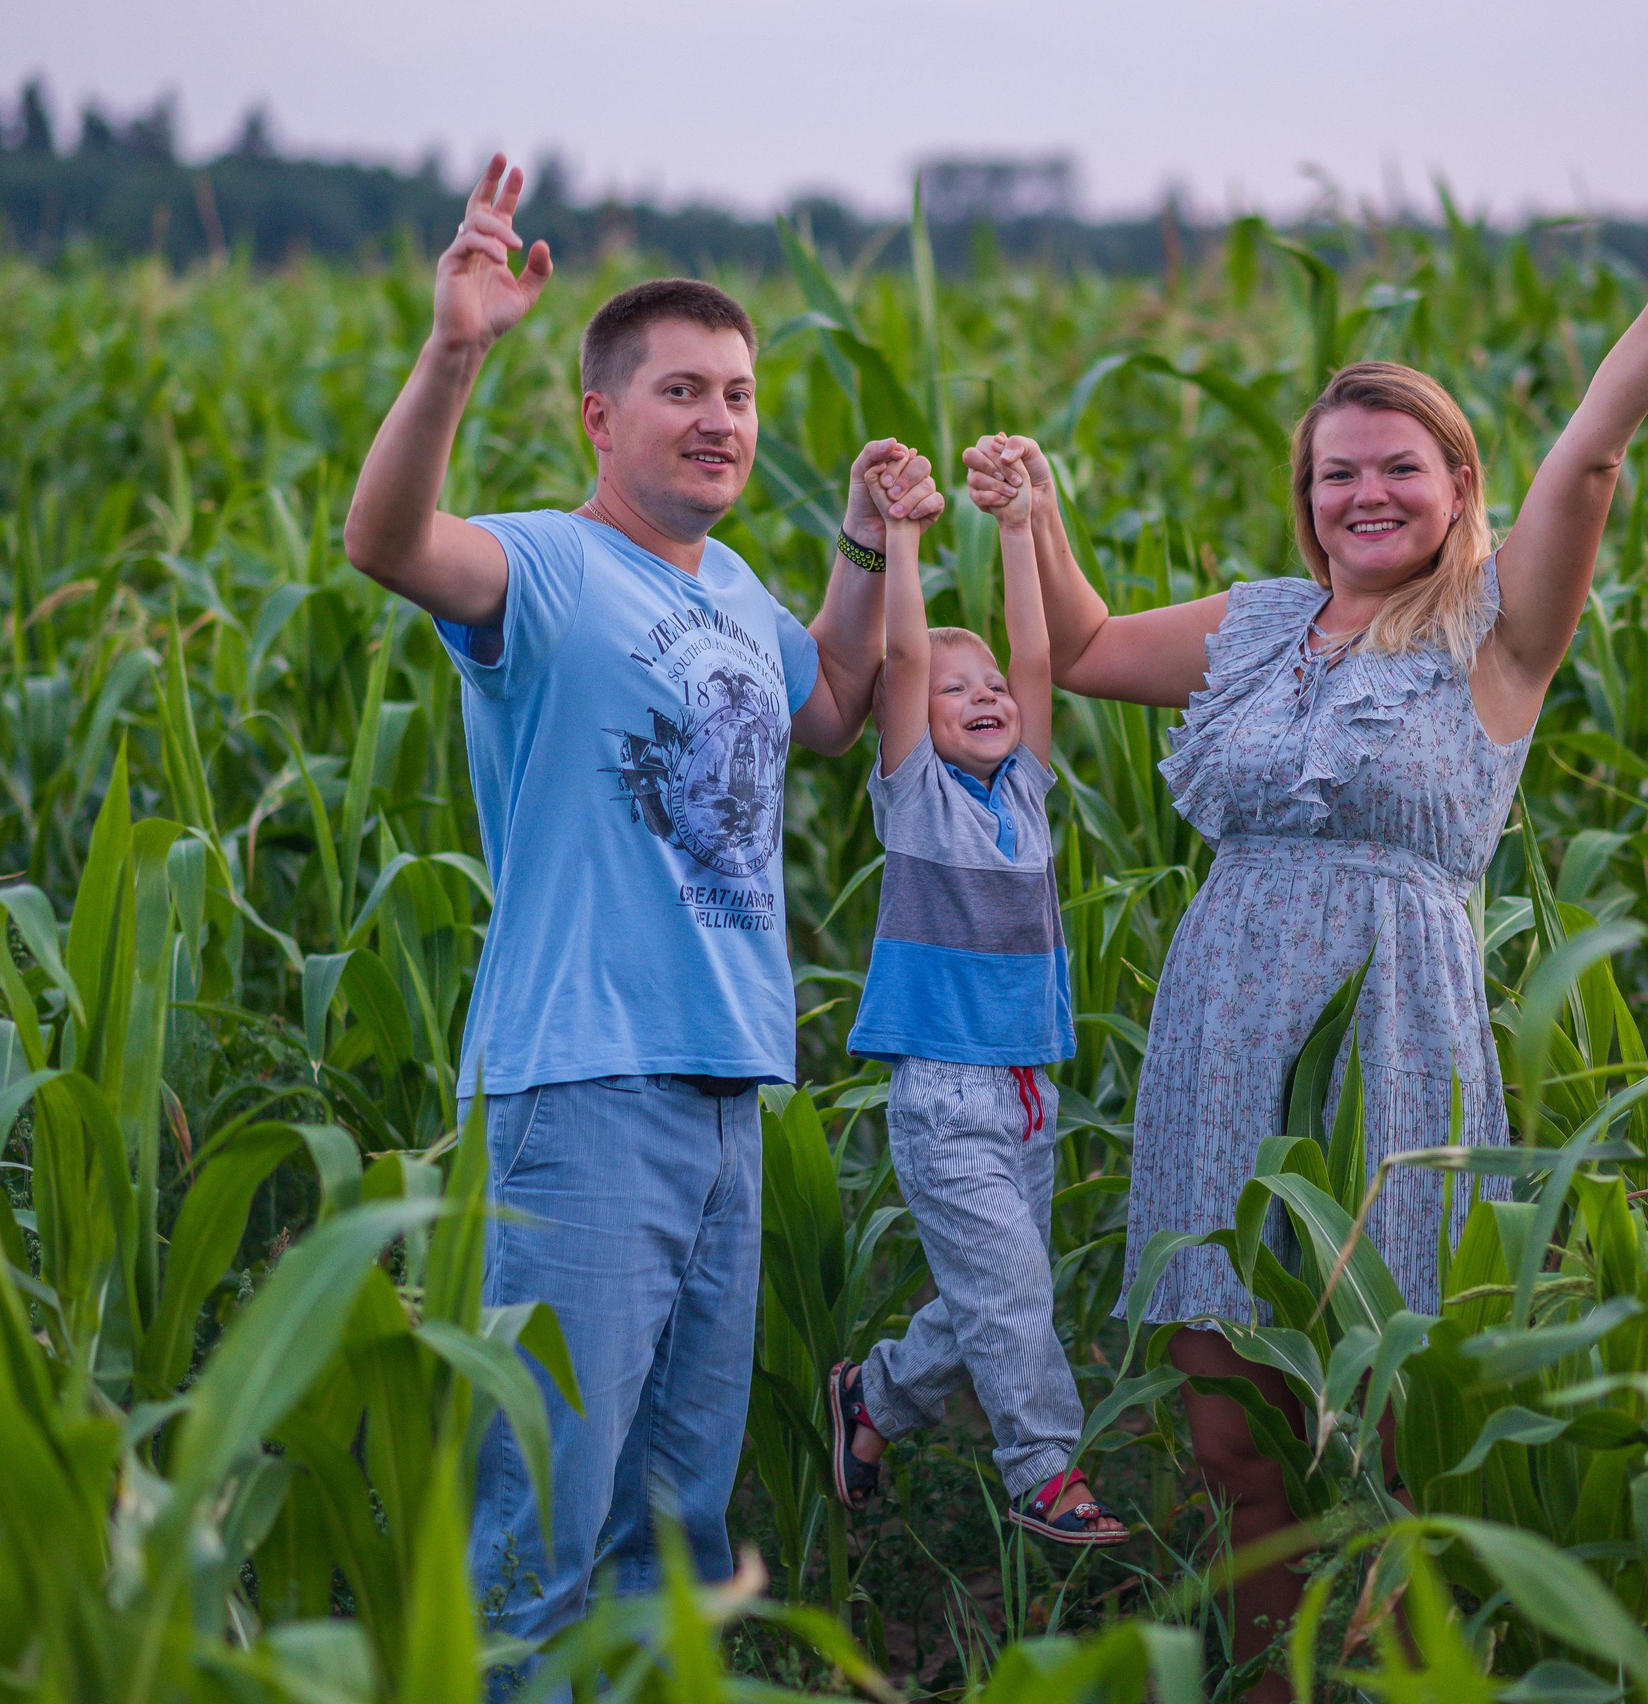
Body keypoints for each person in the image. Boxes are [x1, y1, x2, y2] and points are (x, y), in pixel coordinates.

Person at [1006, 107, 1648, 1698]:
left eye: (1397, 469)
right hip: (1226, 1024)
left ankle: (1411, 1672)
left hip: (1397, 1034)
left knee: (1392, 1410)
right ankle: (1270, 1674)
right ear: (1305, 495)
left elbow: (1595, 448)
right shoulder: (1256, 625)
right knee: (1230, 1421)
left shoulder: (1498, 632)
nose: (1365, 494)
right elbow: (1081, 650)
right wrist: (1032, 509)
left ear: (1455, 484)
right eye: (1335, 473)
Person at [339, 156, 943, 1654]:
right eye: (683, 392)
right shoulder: (544, 567)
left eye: (738, 395)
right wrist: (456, 347)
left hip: (729, 1089)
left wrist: (868, 543)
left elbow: (833, 704)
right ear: (603, 417)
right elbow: (389, 544)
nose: (720, 419)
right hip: (586, 1085)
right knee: (538, 1521)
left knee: (671, 1529)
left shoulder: (735, 591)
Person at [820, 438, 1126, 1545]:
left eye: (988, 683)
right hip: (947, 1094)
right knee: (1008, 1299)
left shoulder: (1027, 793)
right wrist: (900, 539)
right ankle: (1044, 1469)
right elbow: (902, 661)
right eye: (959, 692)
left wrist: (1015, 526)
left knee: (1000, 1296)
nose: (986, 695)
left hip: (1028, 1094)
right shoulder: (916, 800)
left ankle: (878, 1400)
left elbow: (1038, 661)